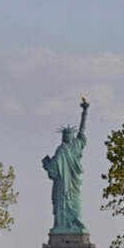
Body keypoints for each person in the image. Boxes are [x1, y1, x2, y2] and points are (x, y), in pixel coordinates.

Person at [42, 97, 89, 233]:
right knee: (60, 204)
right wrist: (48, 164)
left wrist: (84, 113)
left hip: (73, 185)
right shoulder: (61, 150)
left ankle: (74, 225)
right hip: (62, 185)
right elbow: (54, 170)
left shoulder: (75, 146)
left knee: (75, 207)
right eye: (65, 134)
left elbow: (82, 131)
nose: (67, 136)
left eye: (69, 134)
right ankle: (60, 226)